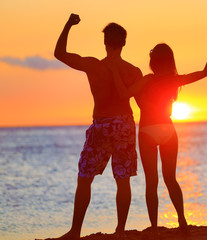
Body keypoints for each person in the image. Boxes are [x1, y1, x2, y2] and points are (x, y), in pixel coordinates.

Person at [109, 35, 207, 237]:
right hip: (168, 131)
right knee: (171, 179)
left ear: (152, 62)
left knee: (152, 182)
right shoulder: (174, 80)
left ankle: (153, 227)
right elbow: (206, 72)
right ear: (170, 61)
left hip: (147, 131)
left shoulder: (147, 80)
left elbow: (124, 94)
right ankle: (182, 221)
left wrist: (116, 71)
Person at [52, 13, 142, 239]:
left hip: (102, 125)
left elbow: (59, 54)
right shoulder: (133, 71)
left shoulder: (93, 66)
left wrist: (68, 25)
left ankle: (75, 231)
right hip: (124, 124)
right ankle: (120, 231)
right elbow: (143, 104)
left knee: (85, 177)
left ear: (105, 43)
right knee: (122, 179)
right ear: (123, 43)